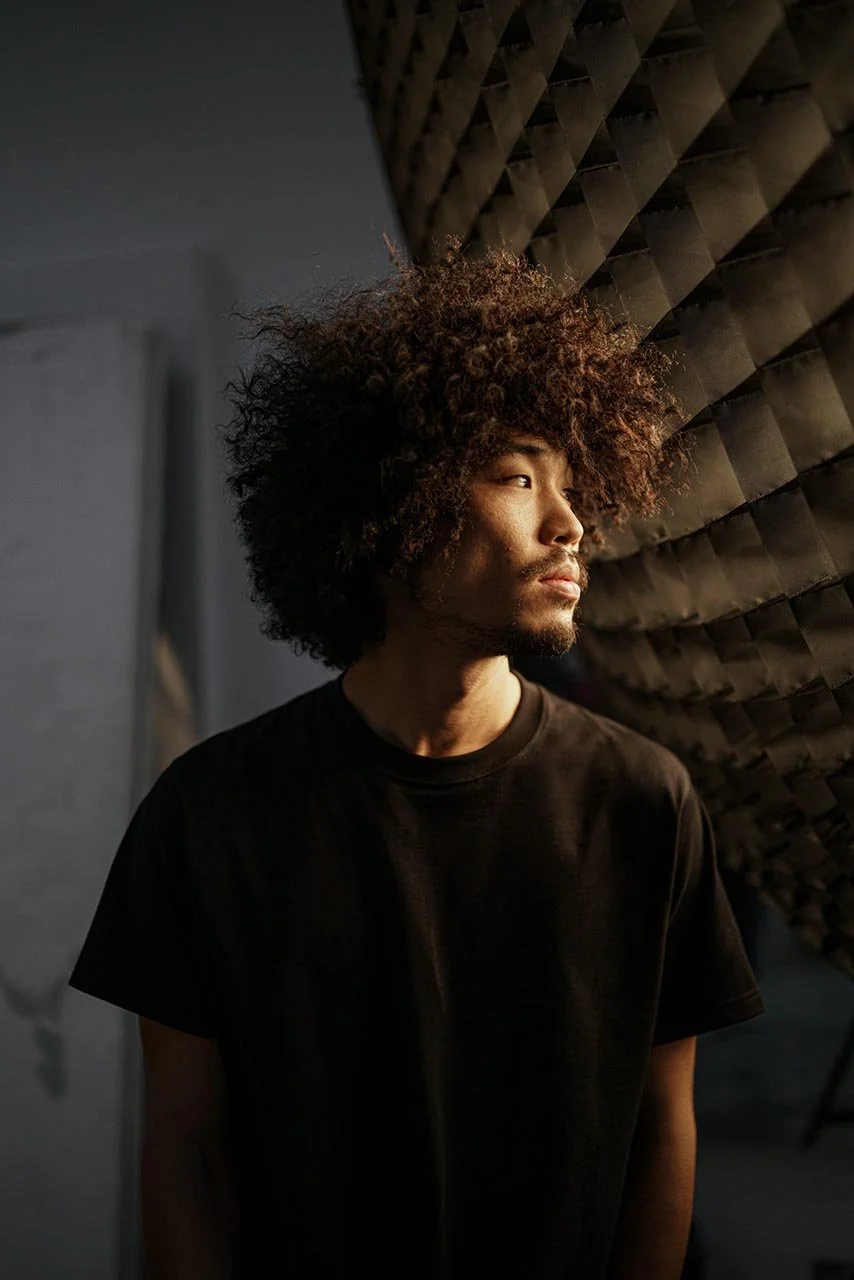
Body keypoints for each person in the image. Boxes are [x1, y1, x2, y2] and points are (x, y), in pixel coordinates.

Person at [68, 235, 765, 1279]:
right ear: (392, 511)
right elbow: (185, 1151)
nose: (568, 523)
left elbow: (660, 1134)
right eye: (515, 476)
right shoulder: (210, 813)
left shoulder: (639, 799)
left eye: (571, 485)